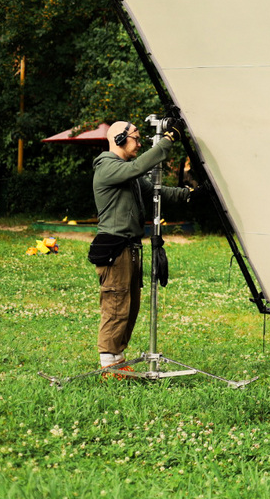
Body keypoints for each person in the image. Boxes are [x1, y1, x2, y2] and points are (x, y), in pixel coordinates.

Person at [88, 119, 193, 376]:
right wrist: (168, 140)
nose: (139, 144)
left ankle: (118, 360)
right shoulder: (107, 167)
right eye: (136, 138)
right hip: (115, 248)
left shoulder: (129, 175)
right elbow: (139, 166)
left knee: (129, 306)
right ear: (119, 139)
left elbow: (158, 191)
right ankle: (109, 367)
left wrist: (191, 194)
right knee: (116, 305)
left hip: (130, 248)